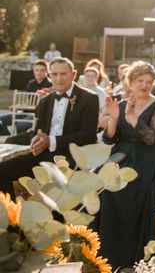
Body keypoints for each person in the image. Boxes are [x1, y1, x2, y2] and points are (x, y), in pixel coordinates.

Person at [98, 61, 155, 269]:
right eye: (140, 81)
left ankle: (132, 254)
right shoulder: (119, 104)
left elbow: (152, 138)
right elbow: (110, 139)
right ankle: (109, 251)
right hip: (121, 153)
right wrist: (113, 119)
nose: (145, 85)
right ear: (130, 82)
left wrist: (133, 119)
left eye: (149, 82)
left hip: (149, 156)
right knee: (107, 187)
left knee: (135, 187)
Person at [0, 57, 99, 198]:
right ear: (49, 75)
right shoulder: (46, 101)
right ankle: (11, 215)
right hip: (43, 156)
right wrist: (36, 140)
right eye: (54, 74)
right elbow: (36, 131)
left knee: (55, 189)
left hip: (72, 158)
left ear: (74, 74)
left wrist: (51, 141)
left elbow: (88, 136)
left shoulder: (89, 98)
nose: (59, 79)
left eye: (63, 74)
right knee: (2, 170)